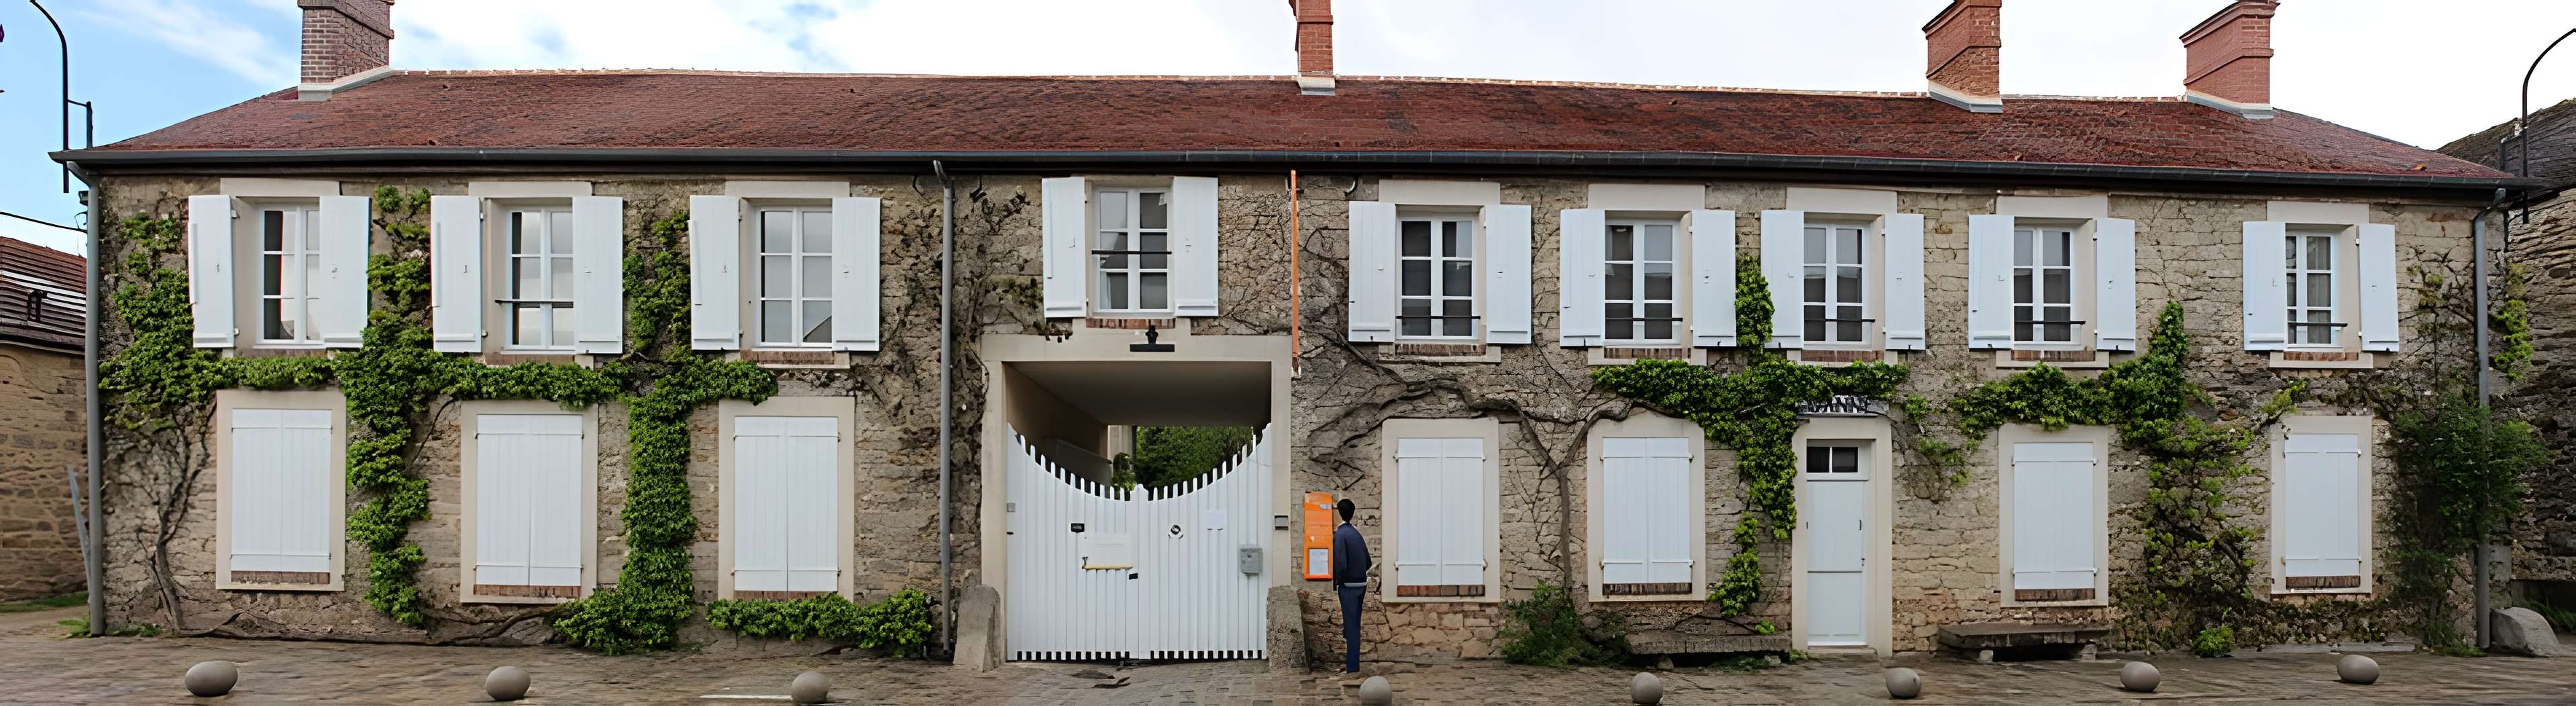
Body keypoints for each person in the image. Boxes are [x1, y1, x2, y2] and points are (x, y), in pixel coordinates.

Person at [1332, 498, 1371, 674]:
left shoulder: (1340, 535)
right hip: (1361, 584)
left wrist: (1339, 583)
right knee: (1351, 624)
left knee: (1351, 626)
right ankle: (1351, 663)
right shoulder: (1356, 533)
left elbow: (1340, 563)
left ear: (1338, 512)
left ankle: (1352, 667)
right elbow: (1368, 562)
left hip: (1348, 586)